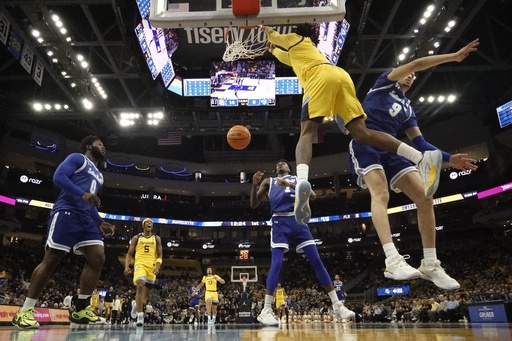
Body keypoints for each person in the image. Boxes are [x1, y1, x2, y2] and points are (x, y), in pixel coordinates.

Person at [258, 24, 452, 225]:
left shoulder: (299, 39)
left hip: (318, 78)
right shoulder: (305, 53)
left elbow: (277, 37)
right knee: (363, 133)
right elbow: (283, 56)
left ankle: (302, 181)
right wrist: (272, 50)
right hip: (341, 77)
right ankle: (420, 158)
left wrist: (265, 30)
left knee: (307, 132)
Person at [349, 39, 480, 290]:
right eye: (407, 73)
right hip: (366, 142)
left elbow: (420, 142)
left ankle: (430, 263)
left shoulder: (408, 109)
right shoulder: (383, 84)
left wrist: (448, 158)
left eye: (413, 76)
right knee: (381, 193)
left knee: (424, 197)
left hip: (393, 148)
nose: (410, 76)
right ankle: (392, 259)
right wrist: (453, 56)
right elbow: (418, 63)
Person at [12, 135, 115, 329]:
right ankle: (24, 311)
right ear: (88, 146)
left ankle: (81, 310)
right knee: (52, 258)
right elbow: (59, 177)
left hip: (86, 219)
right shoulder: (78, 158)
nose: (103, 147)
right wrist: (82, 193)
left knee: (98, 257)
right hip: (66, 212)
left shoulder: (100, 175)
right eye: (100, 144)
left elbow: (90, 202)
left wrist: (100, 222)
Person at [250, 160, 355, 325]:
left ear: (289, 168)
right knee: (276, 264)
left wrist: (291, 186)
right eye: (278, 164)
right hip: (279, 222)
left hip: (299, 220)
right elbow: (254, 204)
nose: (280, 164)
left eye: (283, 163)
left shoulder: (298, 180)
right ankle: (266, 309)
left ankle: (337, 304)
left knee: (317, 261)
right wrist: (254, 185)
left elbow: (311, 196)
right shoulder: (268, 181)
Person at [124, 218, 163, 327]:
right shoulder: (137, 238)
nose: (149, 223)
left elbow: (159, 255)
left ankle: (135, 304)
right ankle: (140, 316)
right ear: (143, 225)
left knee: (145, 297)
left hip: (152, 267)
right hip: (140, 265)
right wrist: (127, 266)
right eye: (147, 222)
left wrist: (158, 267)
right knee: (140, 284)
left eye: (151, 222)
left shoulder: (156, 238)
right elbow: (129, 253)